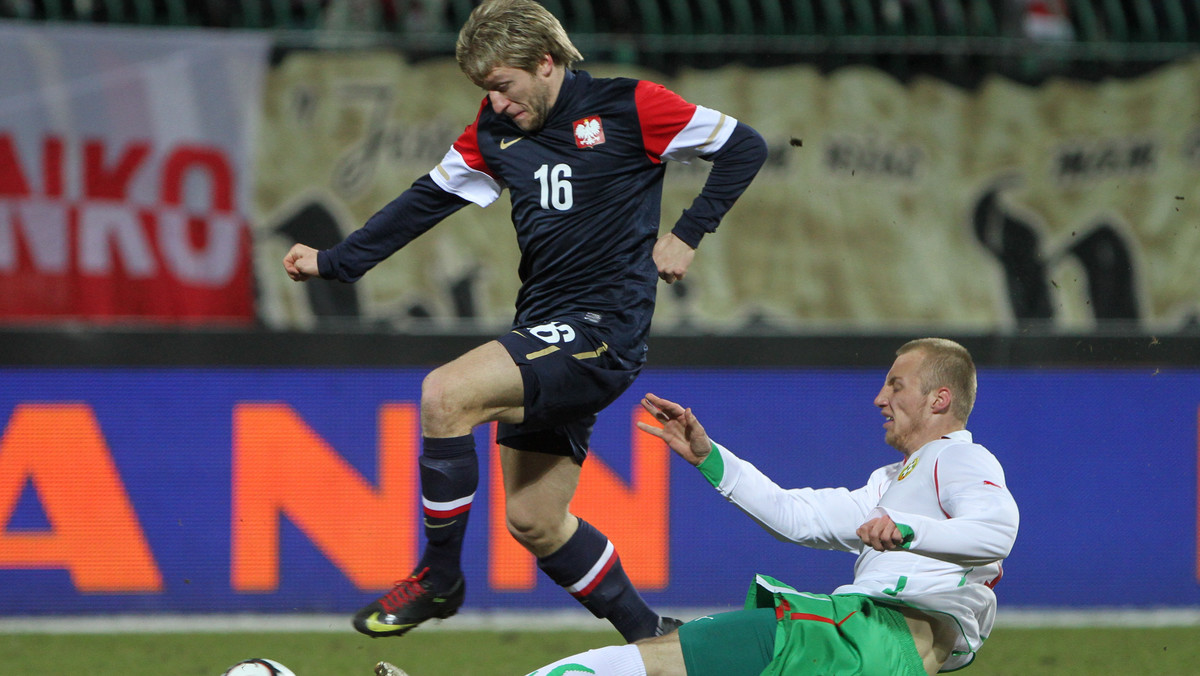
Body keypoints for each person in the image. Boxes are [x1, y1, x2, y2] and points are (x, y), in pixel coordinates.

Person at [282, 0, 768, 643]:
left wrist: (687, 234)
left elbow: (745, 147)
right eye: (486, 91)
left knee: (444, 395)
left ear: (546, 63)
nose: (497, 103)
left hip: (602, 330)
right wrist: (338, 263)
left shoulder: (634, 107)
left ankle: (438, 579)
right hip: (545, 331)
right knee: (535, 520)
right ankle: (654, 637)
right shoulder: (493, 129)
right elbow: (427, 199)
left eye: (504, 87)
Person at [377, 338, 1019, 675]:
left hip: (853, 642)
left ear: (940, 400)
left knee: (622, 667)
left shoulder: (958, 458)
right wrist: (710, 456)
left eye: (896, 384)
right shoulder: (891, 481)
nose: (880, 398)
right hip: (865, 656)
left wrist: (905, 530)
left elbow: (997, 530)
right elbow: (796, 517)